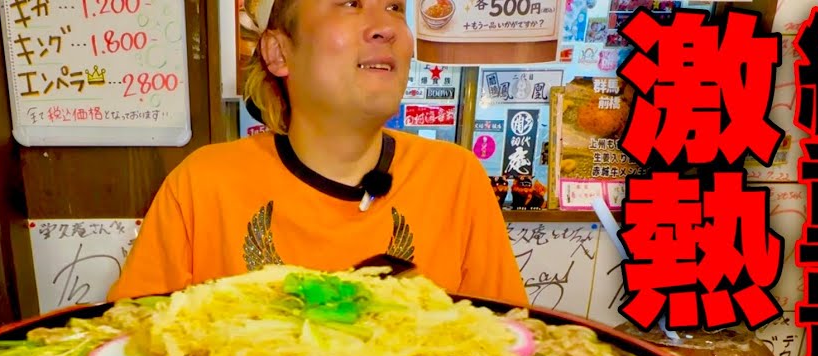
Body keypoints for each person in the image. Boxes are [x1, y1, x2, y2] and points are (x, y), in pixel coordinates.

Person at [106, 0, 528, 306]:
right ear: (278, 51)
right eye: (350, 3)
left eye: (396, 7)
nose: (387, 28)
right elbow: (134, 345)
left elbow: (506, 344)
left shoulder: (453, 176)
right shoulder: (204, 182)